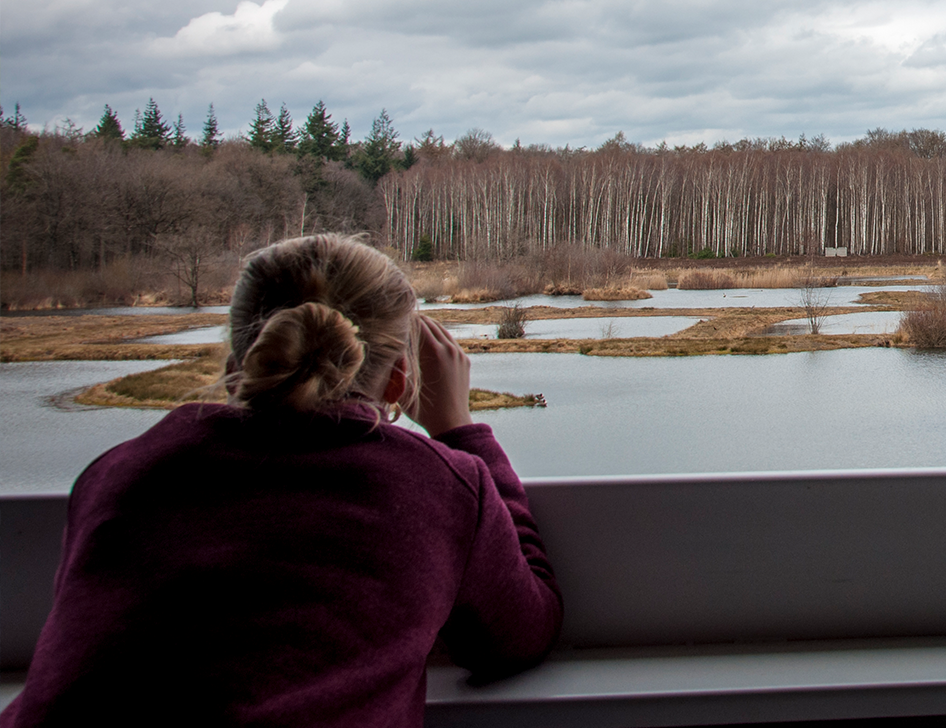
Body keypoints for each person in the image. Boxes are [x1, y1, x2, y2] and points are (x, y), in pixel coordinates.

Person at [2, 234, 562, 727]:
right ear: (400, 379)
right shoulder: (436, 487)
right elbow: (518, 637)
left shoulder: (121, 471)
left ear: (237, 363)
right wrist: (460, 432)